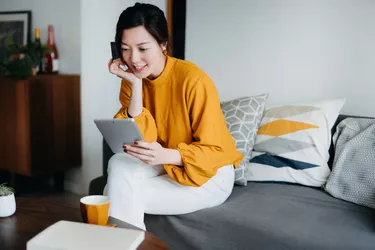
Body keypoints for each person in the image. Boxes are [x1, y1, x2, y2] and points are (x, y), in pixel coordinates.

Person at [104, 2, 243, 230]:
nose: (133, 59)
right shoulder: (132, 80)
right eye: (125, 49)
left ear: (163, 45)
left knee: (114, 194)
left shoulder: (194, 80)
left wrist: (166, 154)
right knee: (118, 162)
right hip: (162, 160)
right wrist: (136, 85)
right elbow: (143, 140)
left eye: (143, 48)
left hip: (208, 174)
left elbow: (215, 151)